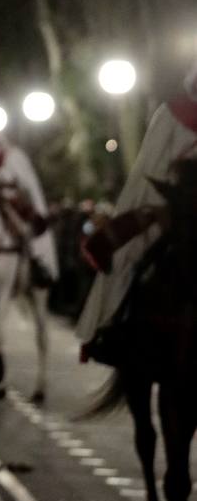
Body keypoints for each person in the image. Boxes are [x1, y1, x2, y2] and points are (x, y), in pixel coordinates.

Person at [77, 67, 197, 354]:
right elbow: (151, 169)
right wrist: (161, 207)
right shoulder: (173, 114)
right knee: (130, 255)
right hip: (173, 207)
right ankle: (113, 324)